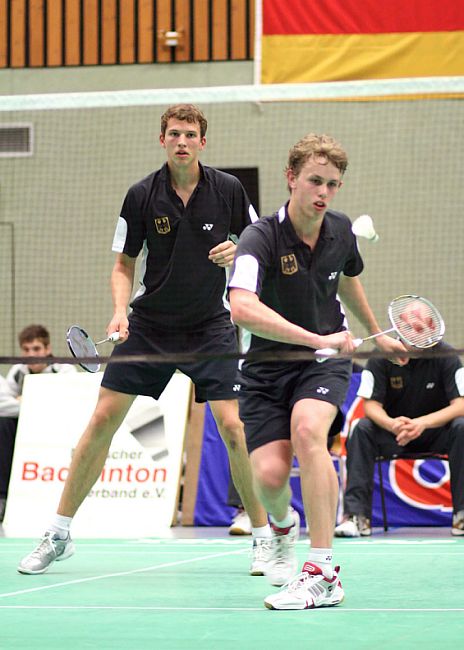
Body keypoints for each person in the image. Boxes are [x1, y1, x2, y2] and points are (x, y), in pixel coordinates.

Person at [18, 104, 270, 575]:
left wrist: (238, 248)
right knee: (101, 422)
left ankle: (262, 538)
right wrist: (119, 310)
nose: (182, 141)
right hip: (150, 324)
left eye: (190, 134)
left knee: (234, 429)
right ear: (162, 140)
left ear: (202, 141)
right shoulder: (141, 195)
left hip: (210, 326)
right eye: (174, 133)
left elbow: (259, 238)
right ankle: (58, 533)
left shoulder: (229, 190)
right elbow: (123, 263)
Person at [228, 133, 406, 610]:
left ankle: (323, 571)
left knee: (310, 431)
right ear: (291, 178)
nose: (323, 192)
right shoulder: (259, 237)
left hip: (324, 363)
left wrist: (377, 333)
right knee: (267, 475)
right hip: (267, 367)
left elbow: (347, 281)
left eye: (332, 184)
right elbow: (241, 307)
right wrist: (313, 337)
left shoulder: (341, 231)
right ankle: (284, 527)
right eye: (314, 181)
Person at [334, 341, 464, 538]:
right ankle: (356, 517)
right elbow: (370, 406)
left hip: (437, 432)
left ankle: (462, 515)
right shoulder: (381, 354)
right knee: (361, 428)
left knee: (462, 426)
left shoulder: (447, 355)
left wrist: (421, 423)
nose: (416, 332)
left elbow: (460, 405)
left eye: (421, 327)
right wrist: (392, 424)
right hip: (394, 434)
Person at [0, 324, 76, 522]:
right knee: (3, 424)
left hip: (59, 429)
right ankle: (3, 497)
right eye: (26, 350)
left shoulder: (65, 370)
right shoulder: (18, 372)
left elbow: (66, 403)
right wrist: (38, 404)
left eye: (36, 349)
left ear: (47, 349)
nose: (31, 355)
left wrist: (27, 401)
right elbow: (4, 405)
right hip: (26, 431)